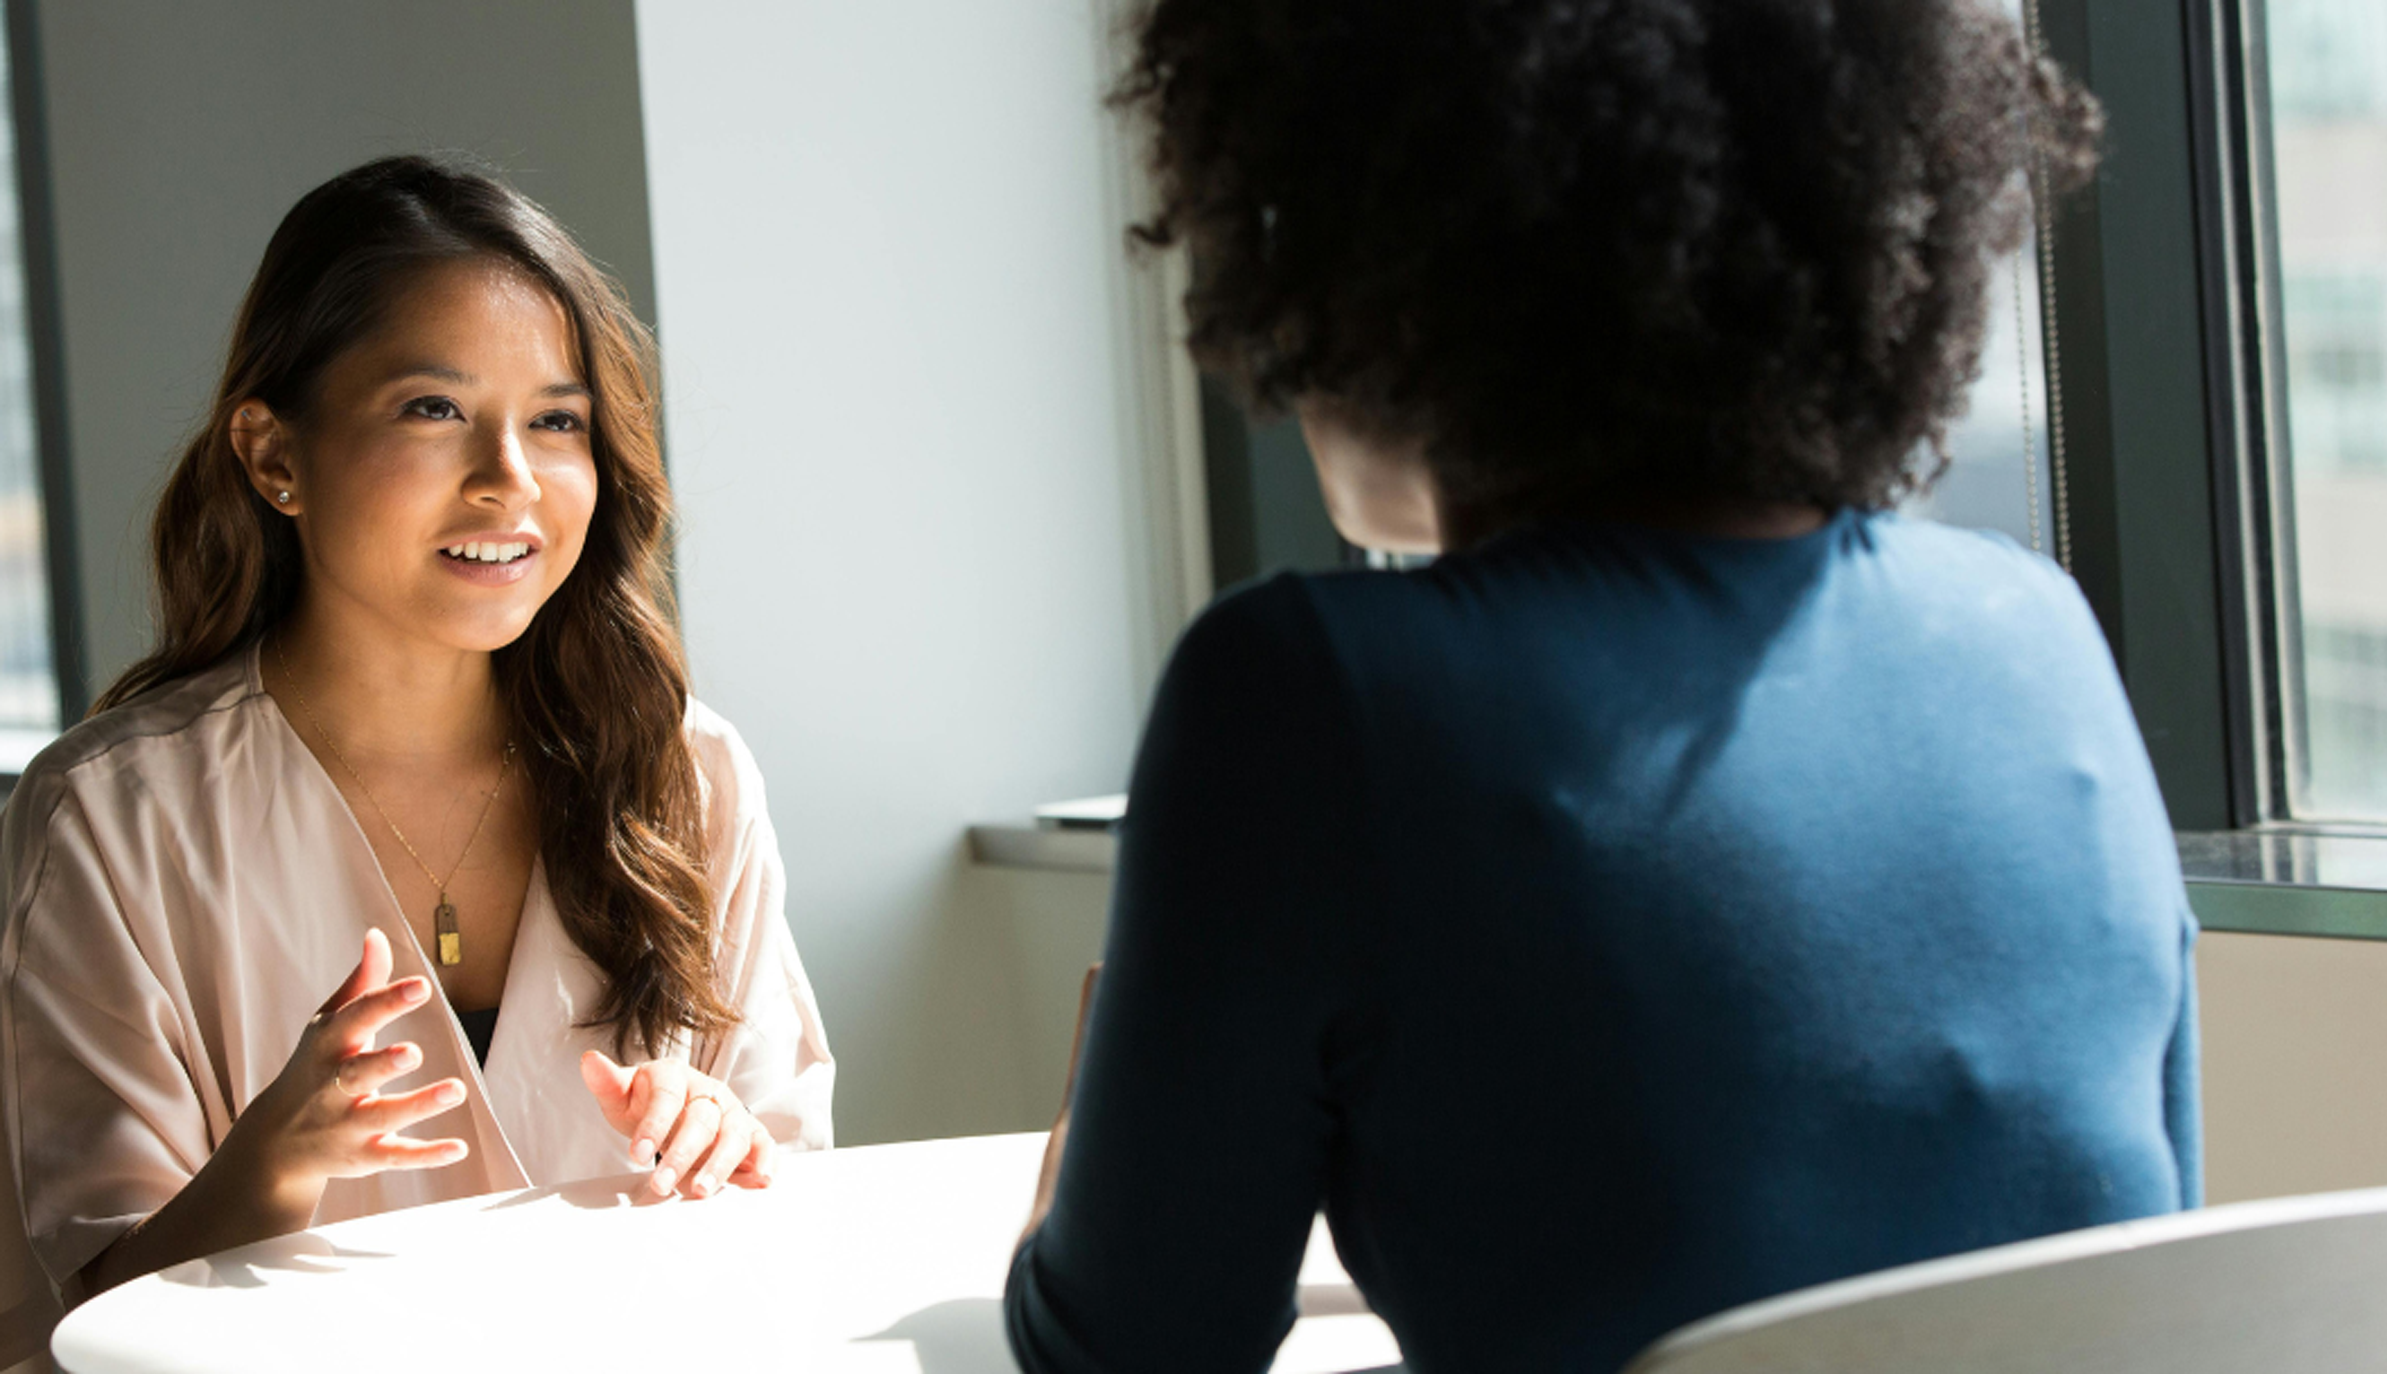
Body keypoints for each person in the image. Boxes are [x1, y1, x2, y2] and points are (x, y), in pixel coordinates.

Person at [1006, 2, 2193, 1371]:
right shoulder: (2040, 639)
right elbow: (2156, 1278)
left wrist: (1082, 1187)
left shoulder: (1309, 693)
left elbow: (1132, 1352)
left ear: (1377, 242)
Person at [0, 156, 832, 1354]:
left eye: (557, 422)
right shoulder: (107, 818)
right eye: (432, 410)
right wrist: (270, 1173)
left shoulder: (687, 774)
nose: (510, 482)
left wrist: (728, 1147)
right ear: (273, 455)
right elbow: (81, 1327)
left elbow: (797, 1220)